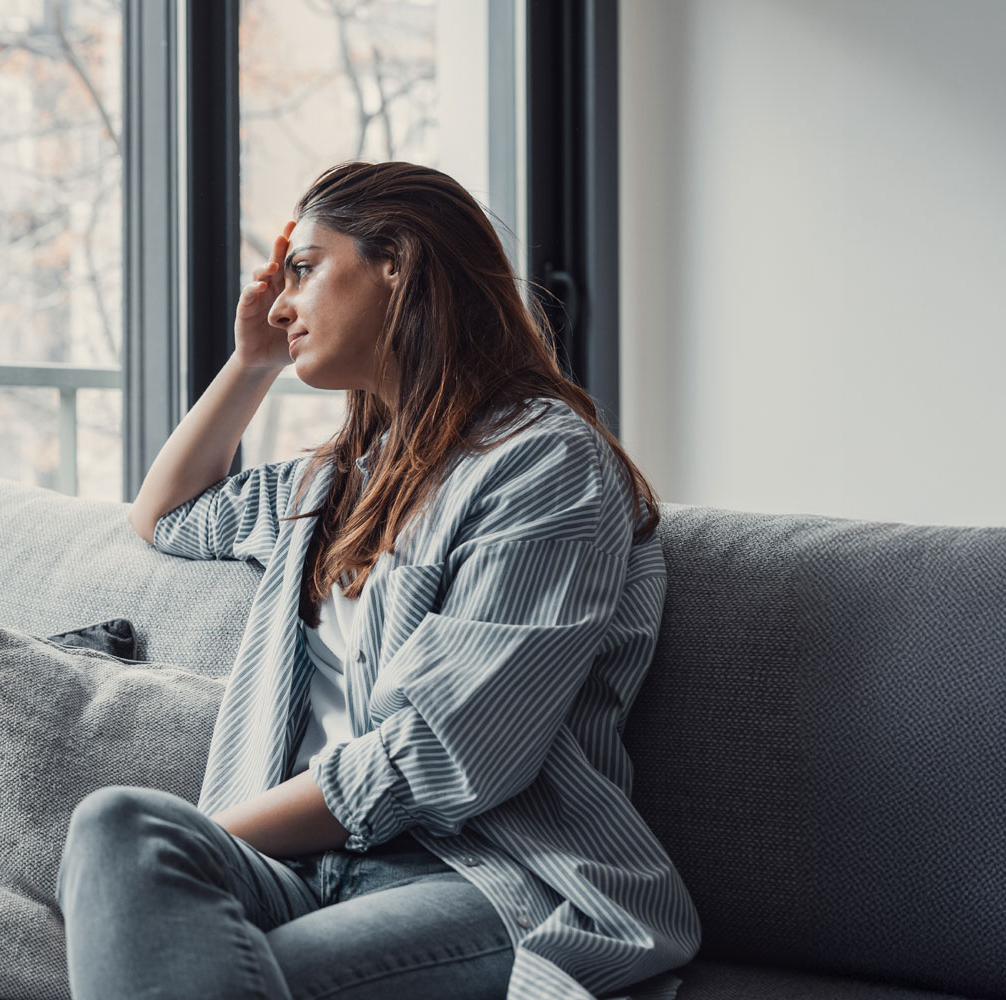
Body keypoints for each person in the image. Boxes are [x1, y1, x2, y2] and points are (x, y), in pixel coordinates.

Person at [55, 161, 702, 1000]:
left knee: (205, 976)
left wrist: (217, 835)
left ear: (395, 260)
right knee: (117, 825)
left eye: (304, 268)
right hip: (300, 874)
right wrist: (252, 363)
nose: (280, 303)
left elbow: (444, 753)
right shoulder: (334, 484)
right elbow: (164, 514)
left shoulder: (542, 464)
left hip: (477, 878)